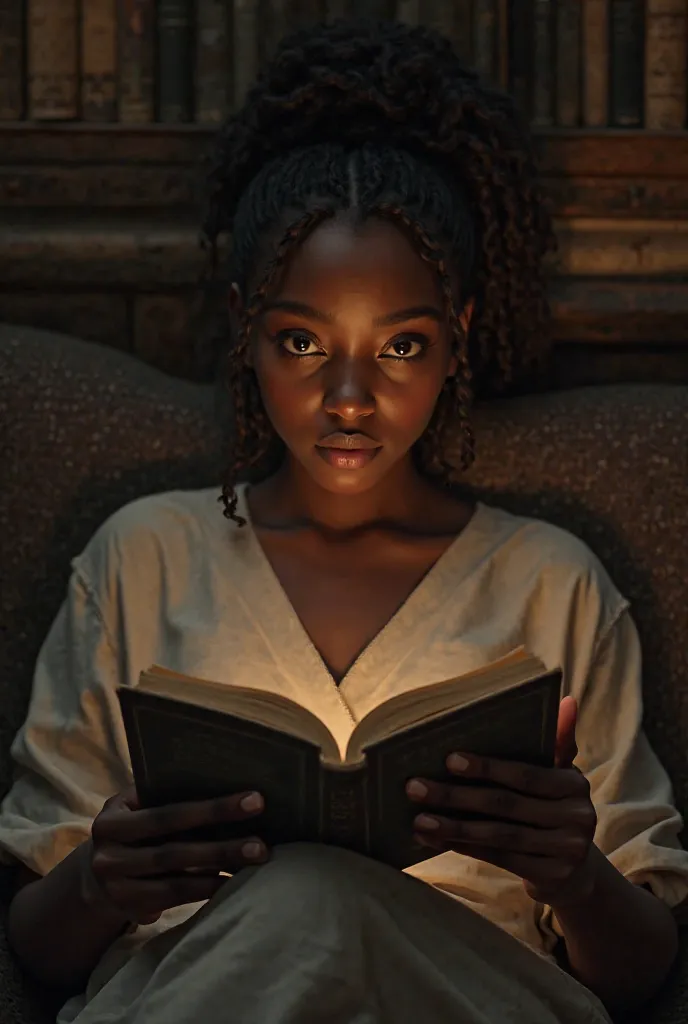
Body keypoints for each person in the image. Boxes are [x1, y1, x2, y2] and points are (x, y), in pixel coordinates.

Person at [1, 18, 687, 1024]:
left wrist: (574, 873)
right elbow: (34, 938)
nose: (351, 396)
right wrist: (105, 879)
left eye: (400, 347)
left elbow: (643, 966)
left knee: (318, 893)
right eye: (300, 341)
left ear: (456, 343)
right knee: (294, 900)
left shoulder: (553, 582)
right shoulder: (140, 560)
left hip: (462, 997)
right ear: (246, 331)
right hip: (198, 994)